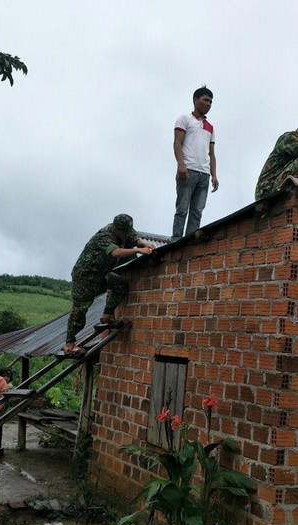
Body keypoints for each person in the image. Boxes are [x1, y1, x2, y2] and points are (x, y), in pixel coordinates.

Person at [63, 214, 154, 358]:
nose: (125, 234)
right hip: (85, 276)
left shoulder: (126, 229)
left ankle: (106, 316)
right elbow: (115, 252)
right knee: (80, 309)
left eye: (127, 231)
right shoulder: (104, 235)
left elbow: (133, 237)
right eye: (123, 232)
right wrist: (138, 250)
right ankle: (69, 344)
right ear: (116, 228)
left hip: (101, 274)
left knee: (120, 285)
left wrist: (142, 244)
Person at [172, 85, 219, 239]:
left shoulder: (210, 127)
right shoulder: (185, 119)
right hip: (188, 170)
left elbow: (211, 153)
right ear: (195, 100)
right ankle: (176, 240)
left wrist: (214, 175)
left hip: (204, 174)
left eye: (211, 102)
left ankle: (190, 245)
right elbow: (177, 143)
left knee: (197, 212)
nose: (208, 104)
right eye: (205, 100)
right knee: (182, 209)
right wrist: (181, 165)